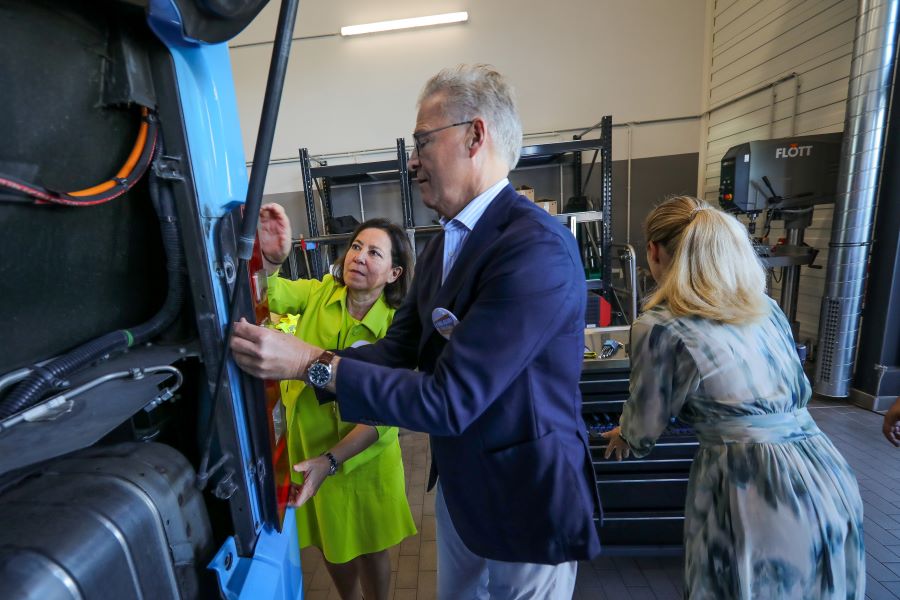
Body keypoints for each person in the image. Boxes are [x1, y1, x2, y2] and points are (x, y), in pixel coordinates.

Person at [232, 64, 601, 599]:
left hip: (526, 499)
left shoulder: (532, 248)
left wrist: (308, 361)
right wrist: (302, 359)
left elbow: (451, 400)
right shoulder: (442, 250)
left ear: (475, 136)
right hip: (461, 491)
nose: (412, 160)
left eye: (424, 140)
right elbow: (394, 352)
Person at [602, 196, 865, 599]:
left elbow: (646, 422)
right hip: (825, 471)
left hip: (752, 483)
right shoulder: (766, 307)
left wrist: (625, 436)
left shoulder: (661, 326)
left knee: (742, 584)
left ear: (653, 252)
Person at [257, 204, 417, 600]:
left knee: (371, 546)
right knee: (331, 543)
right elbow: (270, 292)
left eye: (374, 253)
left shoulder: (396, 326)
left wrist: (333, 460)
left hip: (365, 458)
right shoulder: (317, 294)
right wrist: (272, 262)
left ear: (395, 273)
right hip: (310, 447)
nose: (358, 257)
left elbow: (384, 416)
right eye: (356, 246)